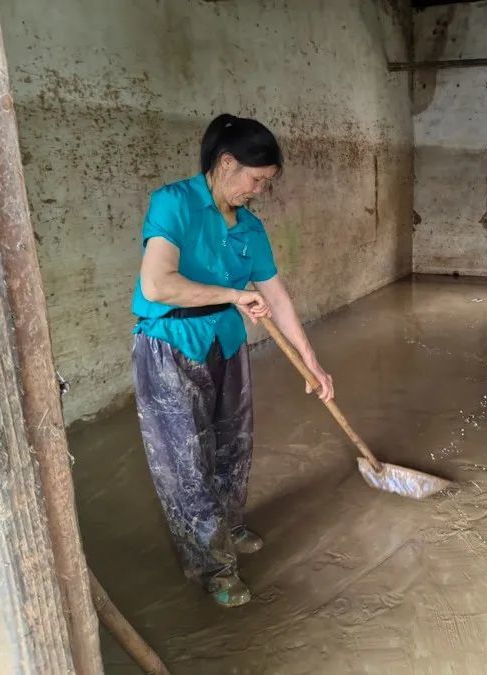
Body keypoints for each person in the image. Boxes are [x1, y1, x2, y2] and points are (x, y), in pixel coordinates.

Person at [130, 114, 334, 607]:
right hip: (170, 342)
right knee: (186, 460)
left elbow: (277, 299)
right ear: (226, 163)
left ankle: (230, 527)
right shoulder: (174, 203)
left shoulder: (250, 227)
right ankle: (212, 566)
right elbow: (158, 284)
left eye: (267, 182)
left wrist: (313, 363)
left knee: (233, 444)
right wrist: (231, 293)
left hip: (225, 337)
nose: (260, 190)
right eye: (256, 179)